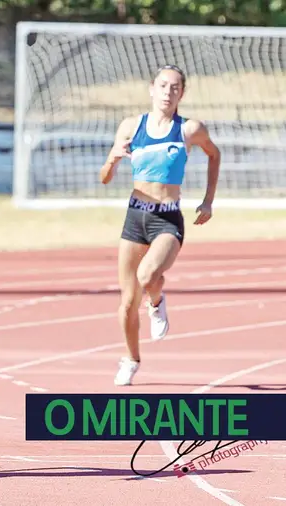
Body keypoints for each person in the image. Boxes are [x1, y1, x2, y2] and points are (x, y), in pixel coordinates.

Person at [100, 64, 220, 386]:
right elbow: (105, 178)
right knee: (126, 303)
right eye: (163, 86)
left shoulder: (189, 129)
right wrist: (112, 158)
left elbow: (214, 154)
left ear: (182, 93)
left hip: (167, 218)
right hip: (135, 217)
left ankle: (156, 301)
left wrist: (208, 200)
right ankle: (131, 358)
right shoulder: (130, 126)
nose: (168, 92)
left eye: (175, 87)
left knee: (148, 276)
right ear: (152, 89)